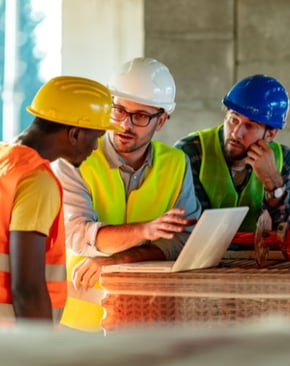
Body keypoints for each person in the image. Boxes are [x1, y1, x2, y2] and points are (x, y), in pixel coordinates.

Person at [52, 57, 201, 332]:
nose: (124, 124)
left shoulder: (176, 163)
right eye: (118, 110)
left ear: (162, 120)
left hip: (148, 318)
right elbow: (77, 235)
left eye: (140, 116)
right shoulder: (74, 158)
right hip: (78, 318)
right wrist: (146, 232)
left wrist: (120, 259)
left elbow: (184, 243)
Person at [0, 75, 120, 326]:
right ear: (75, 133)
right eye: (96, 136)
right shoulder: (36, 182)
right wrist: (43, 353)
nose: (96, 147)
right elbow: (27, 289)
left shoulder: (5, 160)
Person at [174, 74, 290, 249]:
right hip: (201, 265)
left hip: (260, 268)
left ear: (271, 134)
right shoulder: (191, 152)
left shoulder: (283, 160)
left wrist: (273, 182)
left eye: (250, 126)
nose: (236, 133)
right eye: (233, 120)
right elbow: (191, 231)